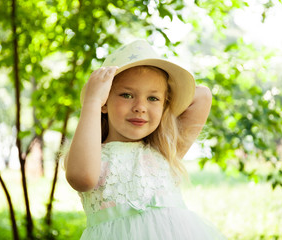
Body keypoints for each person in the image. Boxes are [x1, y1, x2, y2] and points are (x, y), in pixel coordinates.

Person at [65, 39, 226, 239]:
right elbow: (81, 178)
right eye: (126, 95)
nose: (140, 107)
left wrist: (166, 106)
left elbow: (202, 95)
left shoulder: (163, 150)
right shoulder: (93, 154)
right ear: (104, 101)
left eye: (153, 98)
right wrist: (92, 101)